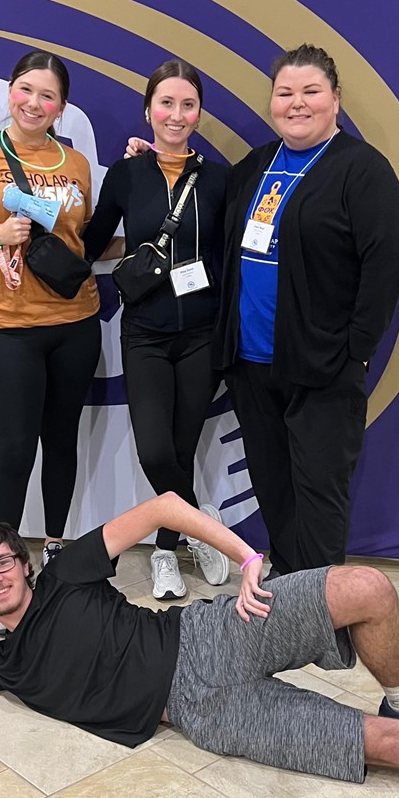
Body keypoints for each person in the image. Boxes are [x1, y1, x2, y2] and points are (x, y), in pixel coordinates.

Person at [0, 492, 399, 784]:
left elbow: (163, 506)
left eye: (2, 563)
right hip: (204, 713)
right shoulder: (0, 665)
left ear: (24, 565)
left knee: (368, 587)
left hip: (210, 635)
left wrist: (248, 558)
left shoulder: (67, 575)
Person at [214, 44, 399, 576]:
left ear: (336, 100)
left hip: (323, 366)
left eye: (310, 91)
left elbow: (386, 265)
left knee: (320, 490)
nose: (296, 103)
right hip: (252, 364)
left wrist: (356, 351)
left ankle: (325, 610)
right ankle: (286, 592)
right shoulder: (254, 167)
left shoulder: (362, 170)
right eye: (285, 92)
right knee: (273, 483)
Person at [0, 51, 101, 632]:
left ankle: (55, 551)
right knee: (14, 452)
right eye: (25, 90)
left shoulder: (77, 162)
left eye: (48, 96)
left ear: (62, 106)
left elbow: (85, 239)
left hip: (76, 323)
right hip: (7, 327)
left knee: (62, 442)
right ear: (10, 91)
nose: (34, 103)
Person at [83, 59, 229, 601]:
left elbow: (227, 250)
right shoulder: (126, 174)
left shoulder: (218, 178)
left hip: (201, 334)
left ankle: (168, 549)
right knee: (154, 449)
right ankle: (201, 523)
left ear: (198, 112)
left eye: (186, 104)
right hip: (144, 332)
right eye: (165, 103)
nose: (175, 114)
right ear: (148, 110)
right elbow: (95, 241)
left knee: (183, 444)